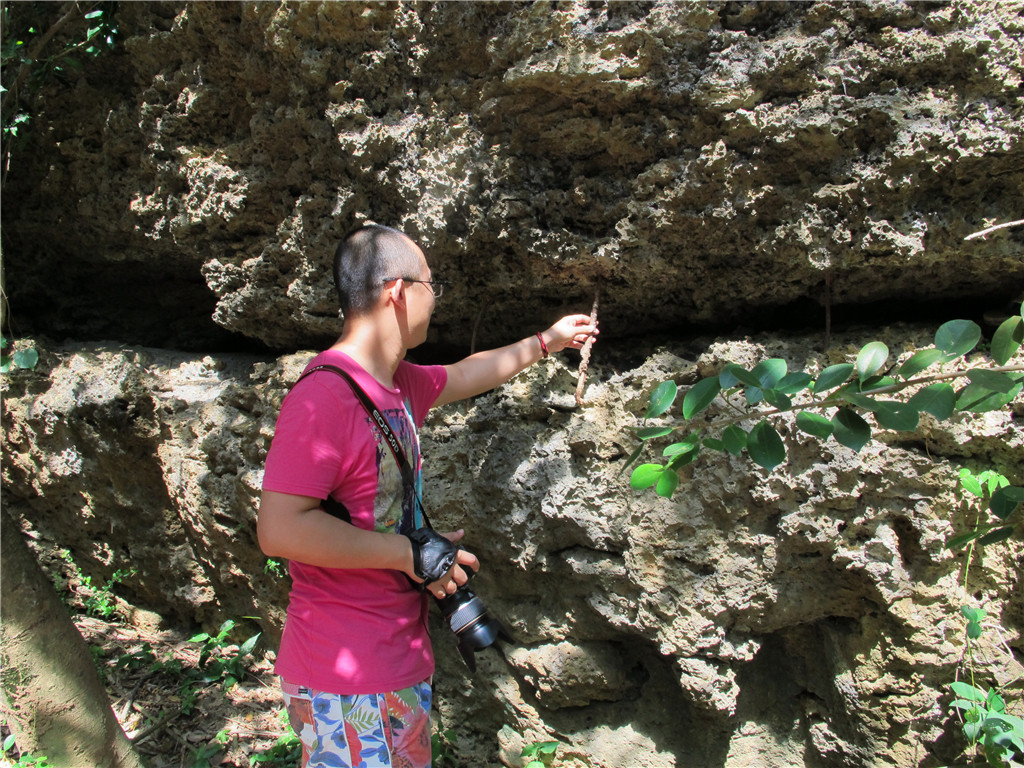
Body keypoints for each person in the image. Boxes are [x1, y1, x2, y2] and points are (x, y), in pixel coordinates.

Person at [257, 223, 598, 768]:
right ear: (397, 291)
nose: (435, 300)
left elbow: (467, 372)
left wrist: (547, 342)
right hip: (343, 670)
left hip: (399, 655)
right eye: (430, 285)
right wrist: (411, 554)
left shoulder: (399, 385)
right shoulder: (323, 395)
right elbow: (280, 530)